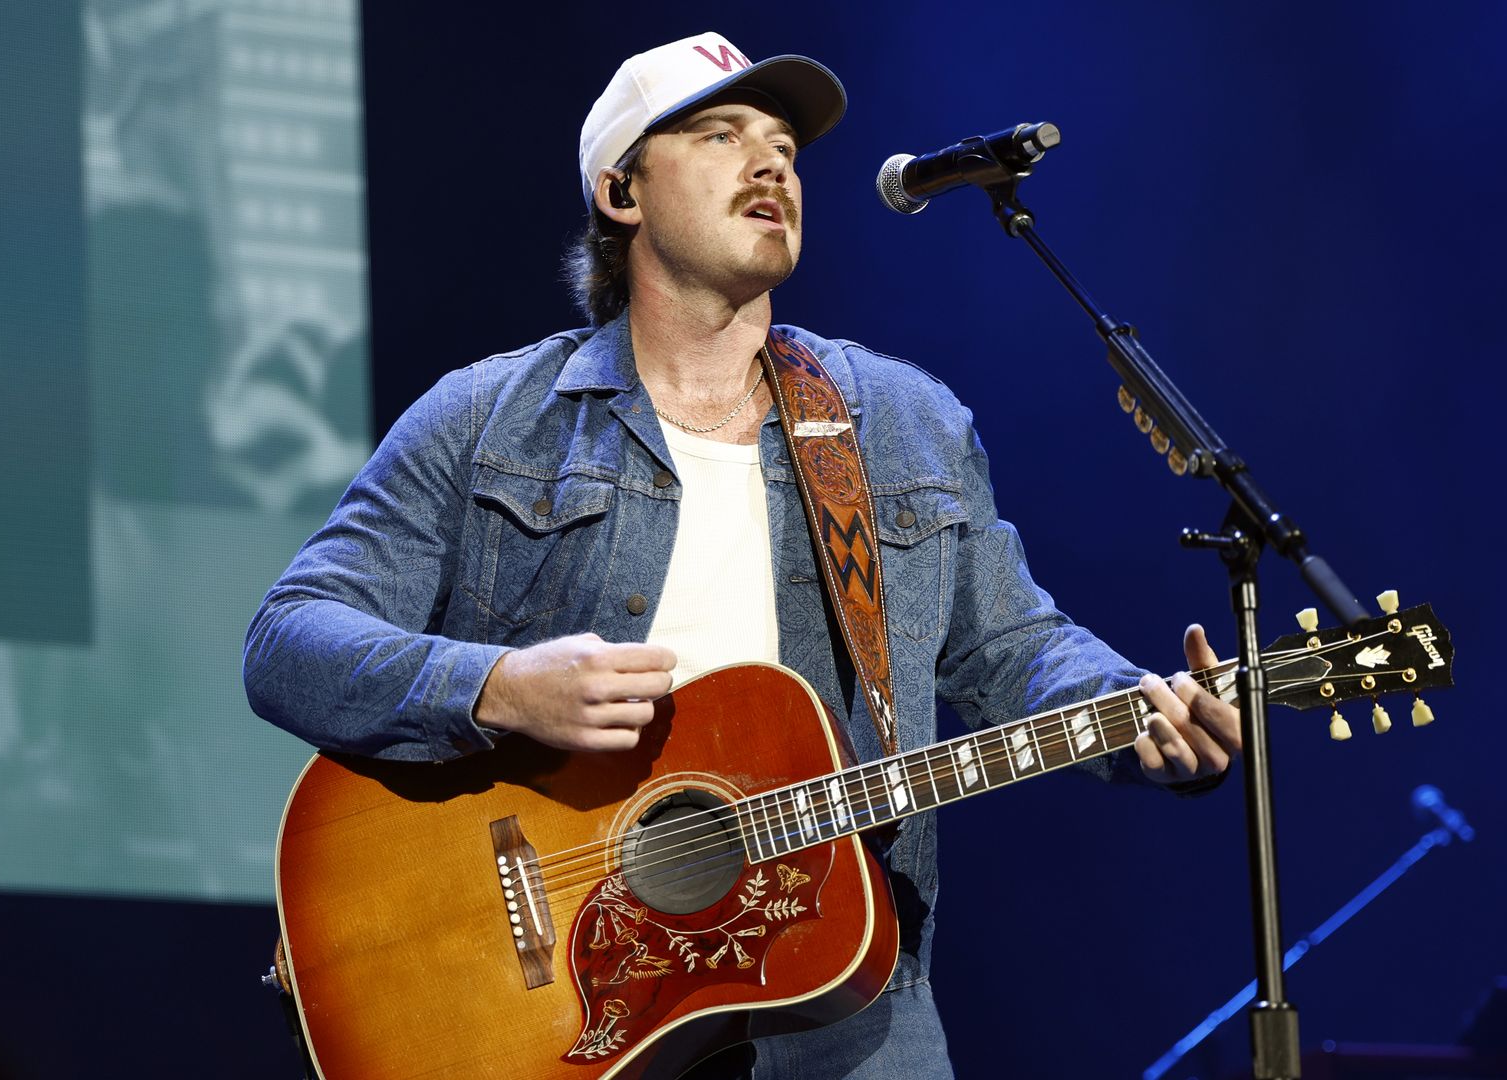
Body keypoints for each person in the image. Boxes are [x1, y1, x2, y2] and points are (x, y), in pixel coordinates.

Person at [244, 31, 1242, 1079]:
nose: (771, 164)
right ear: (621, 191)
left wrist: (1142, 712)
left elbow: (1013, 647)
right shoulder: (489, 419)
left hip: (848, 1007)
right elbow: (288, 640)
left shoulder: (901, 422)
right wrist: (499, 686)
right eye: (721, 134)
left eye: (784, 147)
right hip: (556, 1015)